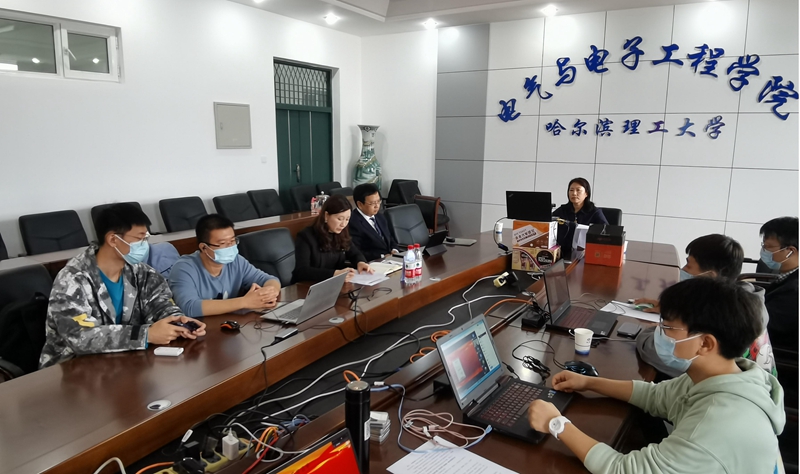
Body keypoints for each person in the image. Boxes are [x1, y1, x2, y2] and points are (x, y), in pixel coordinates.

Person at [528, 278, 785, 474]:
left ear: (705, 344)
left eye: (668, 326)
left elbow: (622, 470)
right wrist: (589, 382)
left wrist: (556, 424)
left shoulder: (716, 423)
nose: (658, 331)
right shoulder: (725, 375)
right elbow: (655, 395)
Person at [40, 203, 206, 368]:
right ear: (113, 239)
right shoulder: (72, 279)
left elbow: (161, 305)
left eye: (146, 238)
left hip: (123, 362)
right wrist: (145, 335)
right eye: (139, 239)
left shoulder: (143, 273)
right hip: (71, 369)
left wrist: (179, 323)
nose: (145, 245)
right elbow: (79, 337)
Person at [635, 234, 776, 376]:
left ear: (709, 275)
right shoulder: (744, 301)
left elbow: (654, 351)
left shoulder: (718, 315)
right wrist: (674, 311)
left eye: (689, 265)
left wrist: (661, 326)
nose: (683, 269)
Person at [168, 214, 281, 317]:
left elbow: (269, 279)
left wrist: (270, 292)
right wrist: (244, 302)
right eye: (222, 243)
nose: (230, 247)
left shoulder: (236, 261)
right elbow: (189, 307)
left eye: (232, 241)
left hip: (229, 325)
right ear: (204, 247)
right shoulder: (184, 268)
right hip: (200, 328)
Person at [293, 194, 373, 284]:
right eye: (340, 219)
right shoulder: (306, 236)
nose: (343, 224)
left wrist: (360, 262)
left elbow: (354, 253)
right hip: (309, 286)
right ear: (326, 215)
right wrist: (334, 274)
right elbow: (302, 271)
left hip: (335, 284)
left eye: (347, 219)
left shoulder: (341, 232)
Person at [760, 216, 799, 353]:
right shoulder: (788, 277)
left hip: (776, 353)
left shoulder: (794, 291)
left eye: (769, 247)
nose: (764, 251)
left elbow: (762, 324)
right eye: (763, 245)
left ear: (790, 251)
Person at [551, 177, 607, 259]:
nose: (574, 193)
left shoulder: (595, 212)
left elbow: (606, 232)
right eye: (571, 190)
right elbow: (548, 222)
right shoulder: (563, 210)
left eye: (578, 190)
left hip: (585, 255)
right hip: (562, 254)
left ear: (586, 193)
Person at [349, 183, 398, 262]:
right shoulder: (353, 222)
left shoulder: (380, 216)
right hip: (372, 263)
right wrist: (382, 256)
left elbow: (390, 238)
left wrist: (394, 250)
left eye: (378, 201)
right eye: (372, 203)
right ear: (360, 204)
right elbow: (356, 251)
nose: (377, 206)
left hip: (391, 260)